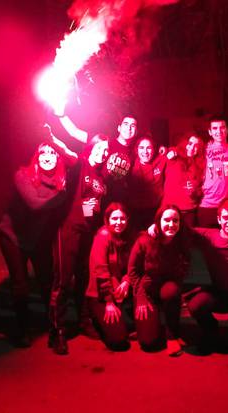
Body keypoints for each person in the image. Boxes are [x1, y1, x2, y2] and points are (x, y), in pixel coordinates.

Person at [0, 142, 68, 347]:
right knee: (20, 284)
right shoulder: (23, 175)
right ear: (36, 157)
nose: (47, 156)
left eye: (53, 153)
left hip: (38, 239)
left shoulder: (60, 181)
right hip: (13, 238)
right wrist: (62, 196)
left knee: (47, 282)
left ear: (59, 159)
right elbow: (35, 204)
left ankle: (52, 326)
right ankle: (23, 329)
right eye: (43, 152)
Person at [48, 135, 109, 355]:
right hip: (68, 229)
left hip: (87, 232)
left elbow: (92, 206)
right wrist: (50, 136)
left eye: (106, 150)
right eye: (99, 147)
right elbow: (66, 152)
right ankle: (58, 330)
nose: (103, 152)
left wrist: (92, 212)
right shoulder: (80, 164)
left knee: (84, 278)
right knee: (63, 280)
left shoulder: (101, 175)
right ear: (91, 147)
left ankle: (84, 321)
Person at [181, 198, 228, 353]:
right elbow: (182, 229)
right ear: (219, 219)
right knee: (195, 305)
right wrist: (154, 228)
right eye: (226, 217)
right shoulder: (209, 236)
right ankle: (210, 329)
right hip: (215, 293)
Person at [129, 204, 190, 356]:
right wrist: (140, 296)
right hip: (146, 289)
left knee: (171, 291)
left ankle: (172, 336)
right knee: (148, 343)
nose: (171, 224)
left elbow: (185, 265)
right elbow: (132, 270)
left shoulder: (181, 240)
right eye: (166, 220)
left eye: (175, 220)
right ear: (158, 221)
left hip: (167, 289)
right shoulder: (145, 240)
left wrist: (179, 287)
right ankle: (147, 327)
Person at [85, 202, 135, 351]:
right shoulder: (103, 236)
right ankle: (93, 317)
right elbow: (100, 271)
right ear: (107, 220)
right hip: (101, 294)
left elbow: (132, 265)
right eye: (114, 218)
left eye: (122, 218)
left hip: (117, 289)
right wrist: (108, 302)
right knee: (119, 340)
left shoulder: (125, 236)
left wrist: (127, 281)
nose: (119, 222)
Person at [197, 115, 228, 227]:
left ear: (227, 129)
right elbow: (185, 151)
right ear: (210, 132)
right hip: (207, 204)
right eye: (215, 128)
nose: (219, 131)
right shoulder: (204, 148)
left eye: (222, 127)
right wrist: (169, 150)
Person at [161, 132, 205, 228]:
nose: (192, 148)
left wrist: (195, 191)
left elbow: (199, 188)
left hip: (189, 209)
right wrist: (165, 150)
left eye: (196, 146)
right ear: (184, 143)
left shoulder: (200, 165)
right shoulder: (173, 155)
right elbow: (162, 152)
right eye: (190, 143)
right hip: (171, 208)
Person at [127, 135, 166, 229]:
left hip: (156, 210)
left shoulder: (161, 160)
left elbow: (177, 151)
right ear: (137, 150)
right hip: (136, 212)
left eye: (148, 148)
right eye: (141, 148)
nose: (145, 151)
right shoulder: (131, 164)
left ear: (154, 149)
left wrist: (170, 150)